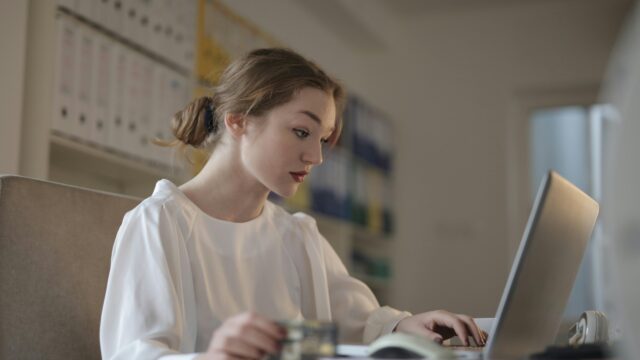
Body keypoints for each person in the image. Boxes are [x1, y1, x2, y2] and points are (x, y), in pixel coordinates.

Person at [100, 48, 485, 360]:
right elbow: (133, 353)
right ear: (238, 122)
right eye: (302, 132)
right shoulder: (160, 222)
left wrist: (404, 327)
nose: (316, 158)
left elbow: (356, 322)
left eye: (323, 139)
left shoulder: (296, 234)